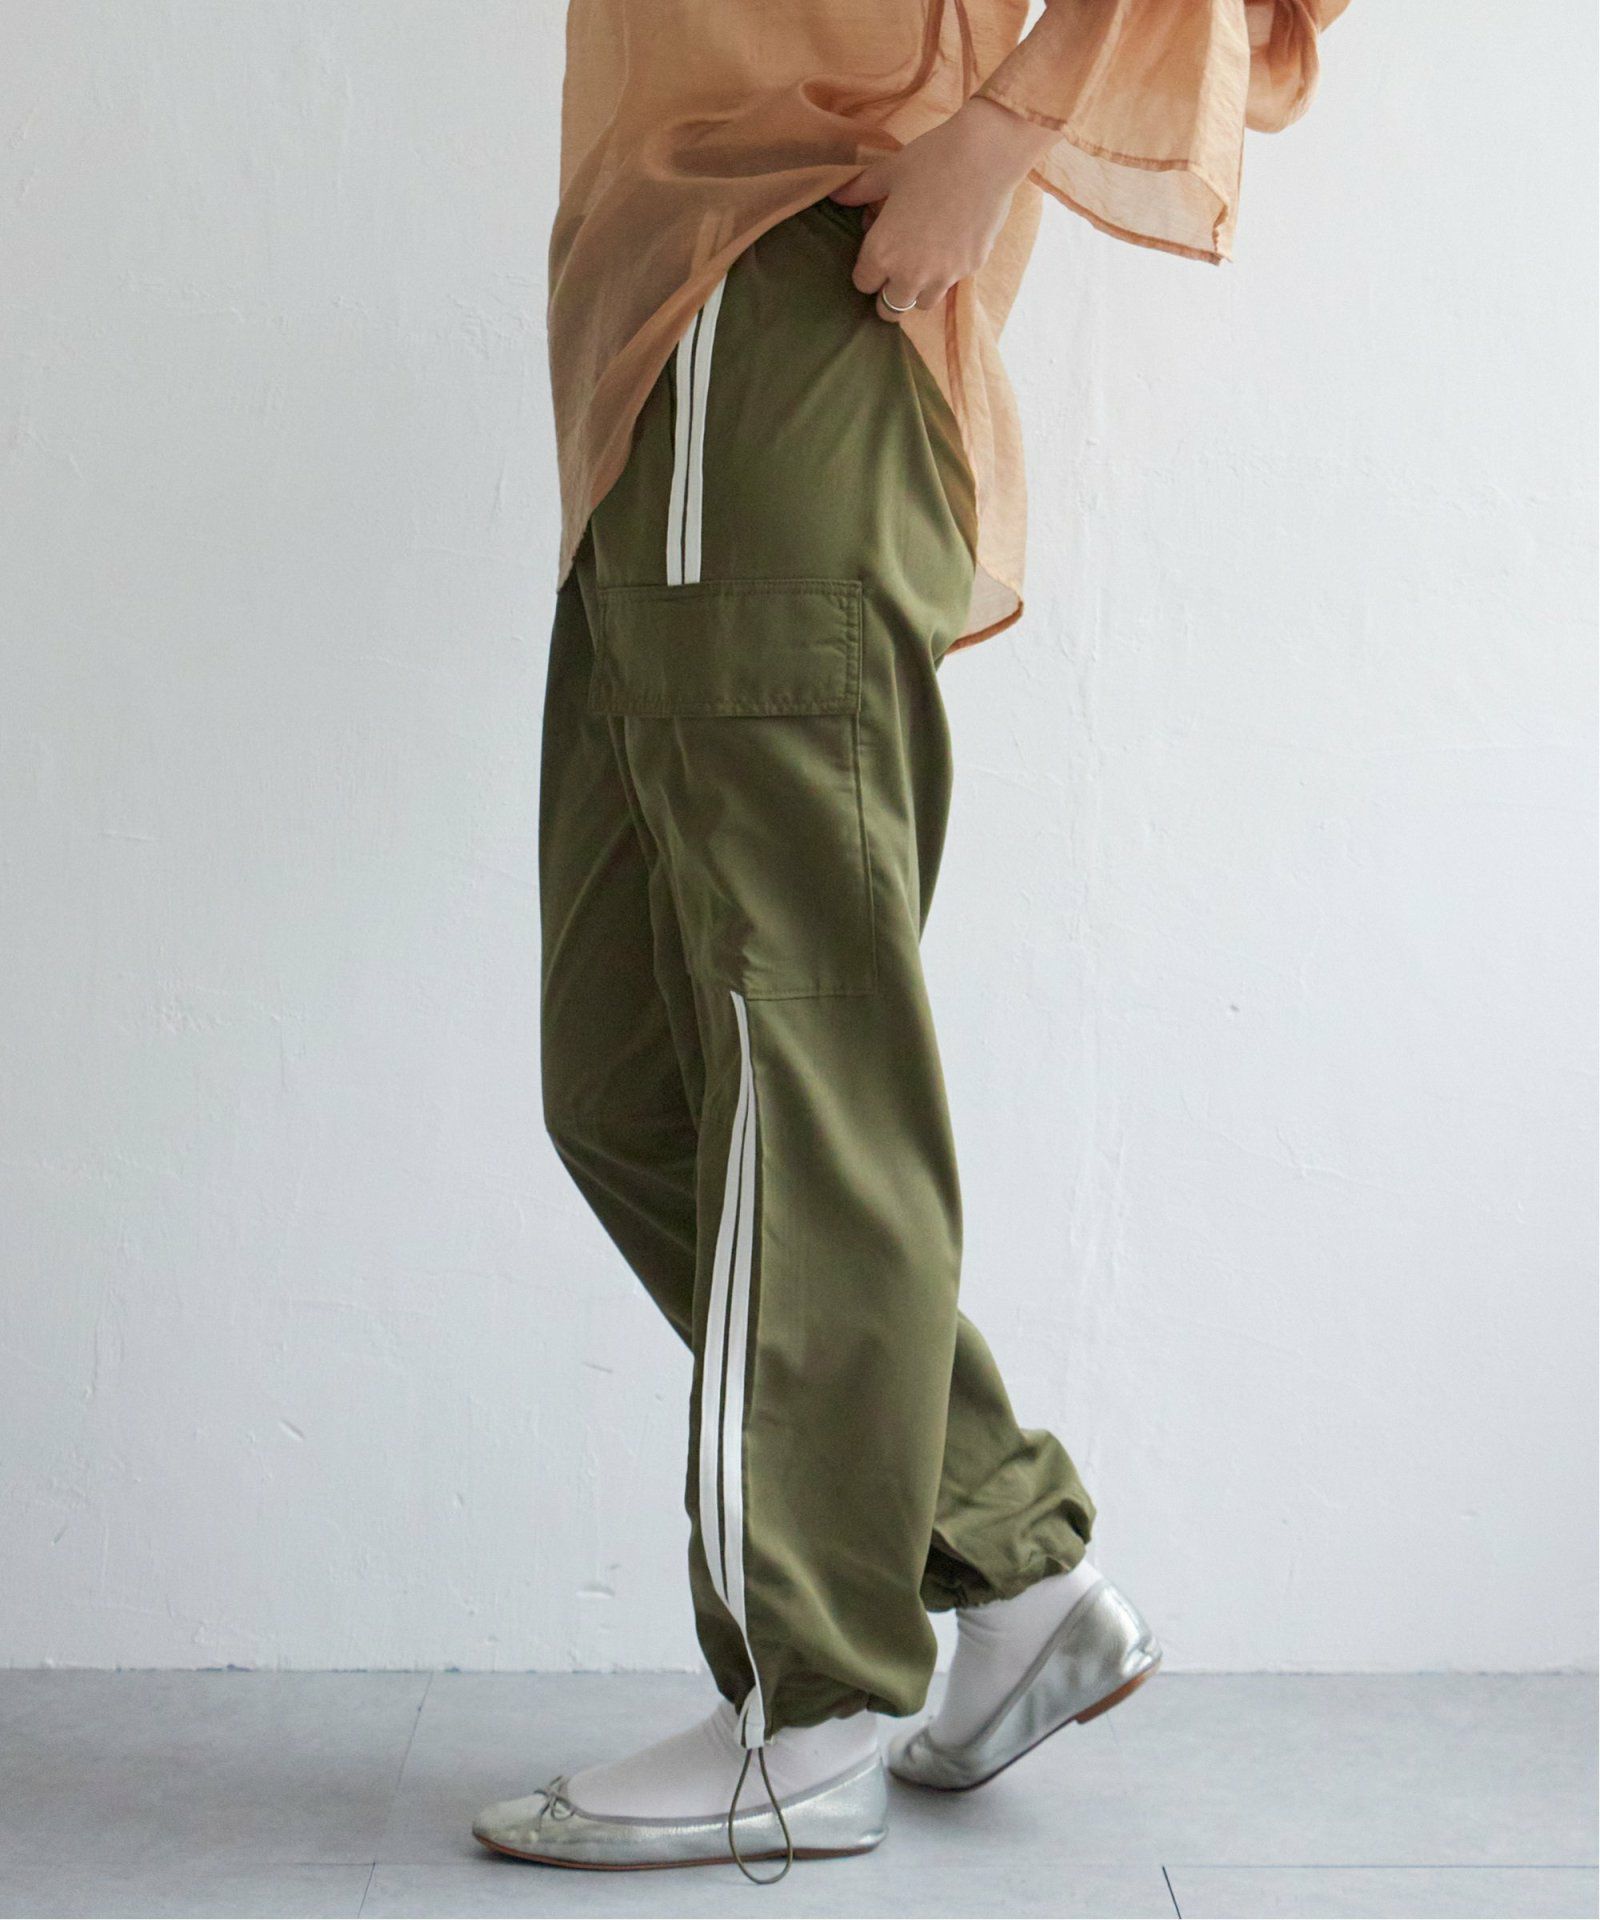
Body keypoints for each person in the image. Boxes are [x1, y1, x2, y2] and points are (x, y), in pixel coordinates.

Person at [473, 0, 1346, 1882]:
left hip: (774, 293)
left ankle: (812, 1708)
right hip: (664, 356)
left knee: (791, 1056)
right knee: (629, 1083)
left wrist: (1001, 131)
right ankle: (1011, 1574)